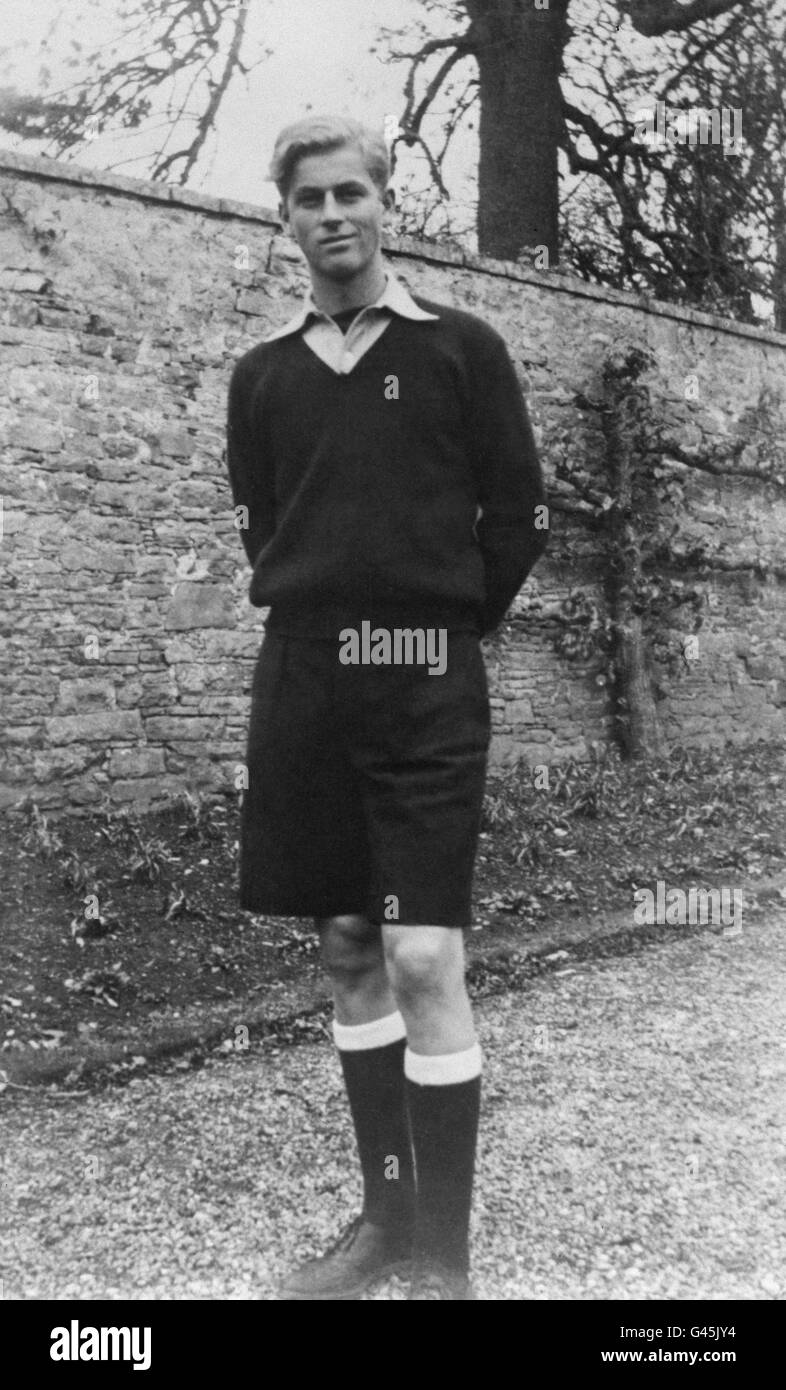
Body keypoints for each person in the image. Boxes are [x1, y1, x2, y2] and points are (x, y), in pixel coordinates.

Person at [225, 115, 548, 1300]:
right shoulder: (263, 375)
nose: (332, 214)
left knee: (421, 950)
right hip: (308, 683)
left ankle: (442, 1260)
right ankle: (386, 1221)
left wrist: (439, 628)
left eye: (350, 192)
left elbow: (517, 516)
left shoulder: (461, 348)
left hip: (424, 685)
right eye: (309, 198)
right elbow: (266, 524)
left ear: (384, 204)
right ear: (286, 219)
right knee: (350, 945)